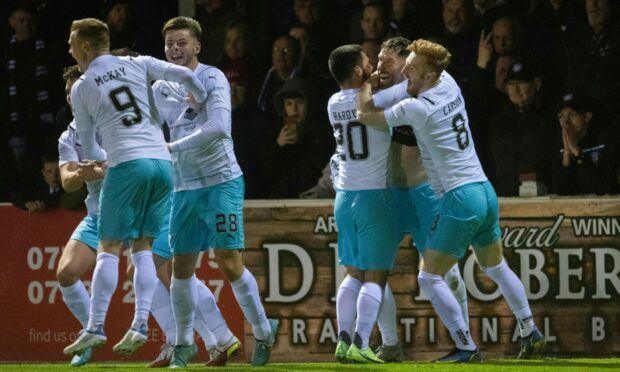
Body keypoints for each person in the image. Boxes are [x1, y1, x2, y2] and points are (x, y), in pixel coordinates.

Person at [356, 39, 546, 362]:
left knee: (428, 277)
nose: (405, 71)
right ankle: (530, 329)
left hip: (460, 197)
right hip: (484, 190)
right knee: (496, 266)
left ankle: (466, 346)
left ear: (429, 76)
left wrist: (364, 84)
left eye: (412, 69)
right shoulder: (448, 82)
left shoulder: (417, 107)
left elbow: (364, 114)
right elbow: (402, 89)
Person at [62, 17, 208, 357]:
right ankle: (140, 323)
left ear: (85, 46)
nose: (69, 49)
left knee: (109, 247)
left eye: (71, 43)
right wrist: (199, 100)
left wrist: (103, 162)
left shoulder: (83, 85)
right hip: (162, 164)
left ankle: (95, 326)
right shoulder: (136, 63)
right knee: (143, 247)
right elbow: (185, 75)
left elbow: (90, 145)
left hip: (128, 164)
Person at [151, 16, 278, 368]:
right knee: (181, 268)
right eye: (170, 44)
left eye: (181, 43)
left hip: (220, 181)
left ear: (197, 47)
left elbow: (219, 128)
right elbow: (155, 129)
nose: (174, 50)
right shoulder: (161, 87)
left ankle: (264, 331)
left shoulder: (212, 77)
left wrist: (171, 149)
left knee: (229, 263)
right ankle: (183, 345)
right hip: (183, 187)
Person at [370, 36, 469, 362]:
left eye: (388, 61)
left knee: (446, 273)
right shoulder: (379, 94)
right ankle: (390, 344)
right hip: (390, 195)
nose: (380, 66)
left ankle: (465, 343)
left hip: (426, 194)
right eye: (378, 59)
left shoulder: (431, 89)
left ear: (408, 63)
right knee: (371, 267)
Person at [328, 44, 399, 364]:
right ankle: (361, 343)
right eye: (368, 63)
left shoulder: (332, 103)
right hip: (374, 195)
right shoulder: (379, 100)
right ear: (357, 71)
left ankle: (343, 340)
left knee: (352, 274)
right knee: (376, 276)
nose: (374, 66)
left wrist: (369, 82)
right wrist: (376, 83)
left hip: (344, 196)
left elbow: (360, 96)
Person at [55, 65, 105, 367]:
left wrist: (96, 169)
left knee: (161, 276)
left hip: (134, 211)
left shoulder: (112, 121)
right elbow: (67, 180)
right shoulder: (68, 136)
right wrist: (84, 173)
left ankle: (182, 341)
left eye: (77, 90)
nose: (72, 97)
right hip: (99, 215)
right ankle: (91, 333)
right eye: (68, 92)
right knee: (66, 273)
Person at [551, 93, 620, 195]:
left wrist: (578, 154)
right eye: (561, 116)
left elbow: (605, 188)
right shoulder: (558, 142)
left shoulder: (607, 139)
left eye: (572, 115)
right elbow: (560, 191)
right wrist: (566, 156)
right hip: (575, 209)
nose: (565, 122)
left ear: (587, 117)